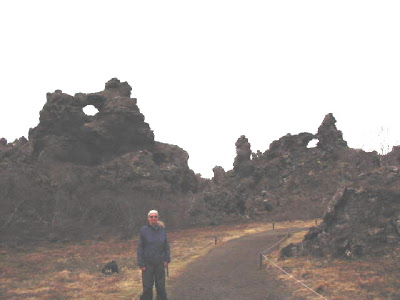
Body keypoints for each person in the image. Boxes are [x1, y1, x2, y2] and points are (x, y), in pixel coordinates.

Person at [137, 210, 170, 300]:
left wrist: (167, 260)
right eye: (151, 217)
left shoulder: (162, 230)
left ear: (157, 218)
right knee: (147, 286)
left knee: (160, 286)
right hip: (147, 263)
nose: (153, 218)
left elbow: (166, 246)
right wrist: (141, 263)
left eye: (155, 216)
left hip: (160, 262)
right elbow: (140, 248)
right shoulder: (143, 230)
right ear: (148, 218)